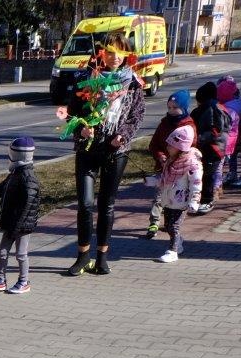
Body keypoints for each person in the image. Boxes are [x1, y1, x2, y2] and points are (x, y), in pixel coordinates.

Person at [65, 34, 146, 276]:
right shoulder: (88, 78)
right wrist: (81, 128)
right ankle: (83, 256)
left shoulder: (133, 83)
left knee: (106, 205)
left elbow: (137, 116)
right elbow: (71, 112)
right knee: (85, 204)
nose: (115, 57)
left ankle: (102, 257)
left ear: (127, 55)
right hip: (88, 149)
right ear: (101, 53)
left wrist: (123, 135)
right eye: (110, 51)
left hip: (115, 151)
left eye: (120, 52)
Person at [0, 137, 41, 295]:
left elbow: (28, 206)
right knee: (2, 252)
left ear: (15, 155)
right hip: (11, 223)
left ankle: (24, 281)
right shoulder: (14, 174)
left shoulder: (28, 178)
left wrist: (18, 227)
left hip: (22, 226)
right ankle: (0, 280)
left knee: (21, 254)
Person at [144, 90, 196, 238]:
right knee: (159, 195)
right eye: (169, 107)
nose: (171, 110)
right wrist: (160, 156)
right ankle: (154, 222)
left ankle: (172, 224)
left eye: (175, 107)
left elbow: (191, 147)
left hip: (180, 170)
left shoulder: (188, 126)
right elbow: (154, 144)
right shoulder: (164, 123)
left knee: (174, 198)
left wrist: (178, 159)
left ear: (184, 108)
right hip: (163, 167)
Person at [151, 125, 203, 264]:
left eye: (171, 145)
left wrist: (194, 200)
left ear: (181, 147)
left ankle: (172, 251)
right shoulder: (171, 161)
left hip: (181, 202)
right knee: (168, 226)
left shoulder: (192, 164)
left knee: (174, 226)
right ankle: (178, 242)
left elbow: (196, 184)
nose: (168, 147)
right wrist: (153, 181)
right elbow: (165, 179)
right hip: (169, 199)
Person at [189, 82, 229, 214]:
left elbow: (215, 131)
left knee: (207, 175)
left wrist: (198, 138)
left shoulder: (213, 110)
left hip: (213, 149)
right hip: (205, 147)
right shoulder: (207, 109)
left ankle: (207, 200)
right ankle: (197, 199)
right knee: (199, 174)